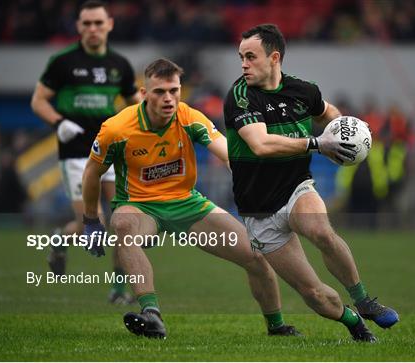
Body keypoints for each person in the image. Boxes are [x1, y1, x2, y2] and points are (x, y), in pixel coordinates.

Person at [81, 58, 298, 339]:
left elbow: (226, 152)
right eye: (160, 92)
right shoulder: (116, 129)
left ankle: (277, 327)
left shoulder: (189, 117)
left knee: (256, 256)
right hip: (140, 207)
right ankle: (151, 314)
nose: (169, 98)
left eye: (174, 90)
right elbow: (91, 173)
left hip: (187, 204)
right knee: (123, 226)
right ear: (144, 94)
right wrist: (90, 219)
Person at [223, 24, 400, 342]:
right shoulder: (240, 97)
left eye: (250, 57)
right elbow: (261, 145)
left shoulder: (304, 91)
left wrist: (345, 130)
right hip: (259, 210)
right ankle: (353, 321)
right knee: (315, 295)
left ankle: (363, 300)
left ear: (274, 58)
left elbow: (328, 112)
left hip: (296, 188)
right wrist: (318, 144)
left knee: (321, 232)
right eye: (241, 57)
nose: (243, 64)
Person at [30, 1, 141, 304]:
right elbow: (38, 101)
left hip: (111, 152)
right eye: (86, 23)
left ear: (110, 24)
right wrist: (59, 122)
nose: (93, 29)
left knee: (123, 221)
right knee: (93, 223)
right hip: (77, 153)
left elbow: (136, 104)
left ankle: (118, 292)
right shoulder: (63, 62)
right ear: (78, 27)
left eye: (98, 23)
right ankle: (60, 238)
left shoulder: (120, 64)